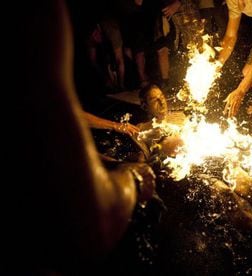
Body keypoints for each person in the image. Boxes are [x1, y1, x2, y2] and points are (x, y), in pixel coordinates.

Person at [7, 0, 156, 273]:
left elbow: (55, 117)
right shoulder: (38, 18)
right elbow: (96, 221)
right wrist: (135, 178)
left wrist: (101, 157)